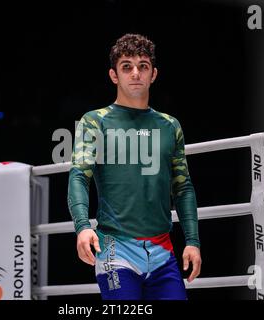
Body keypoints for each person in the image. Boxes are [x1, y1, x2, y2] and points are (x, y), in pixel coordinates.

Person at [67, 33, 201, 300]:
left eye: (143, 66)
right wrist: (82, 226)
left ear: (153, 74)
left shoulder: (169, 125)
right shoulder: (95, 121)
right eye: (127, 66)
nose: (136, 73)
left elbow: (183, 187)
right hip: (115, 249)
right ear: (114, 75)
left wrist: (193, 242)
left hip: (163, 251)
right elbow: (79, 175)